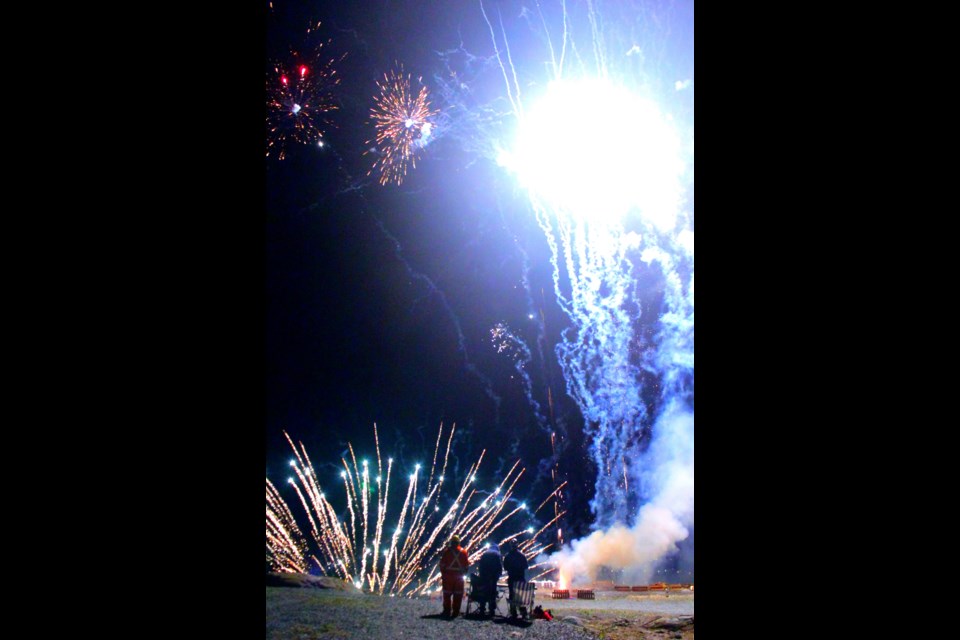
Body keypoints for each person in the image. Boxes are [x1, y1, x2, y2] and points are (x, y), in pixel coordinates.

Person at [439, 535, 470, 618]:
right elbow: (466, 566)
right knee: (458, 595)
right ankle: (455, 612)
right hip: (459, 577)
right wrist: (463, 573)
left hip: (448, 576)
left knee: (447, 595)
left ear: (451, 542)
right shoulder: (463, 552)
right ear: (459, 542)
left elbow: (442, 565)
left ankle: (447, 611)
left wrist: (443, 575)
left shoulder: (447, 552)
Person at [502, 540, 530, 619]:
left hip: (511, 579)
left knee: (512, 595)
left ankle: (513, 612)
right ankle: (523, 612)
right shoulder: (522, 555)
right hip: (520, 579)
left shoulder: (507, 556)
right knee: (521, 596)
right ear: (517, 545)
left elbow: (505, 567)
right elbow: (526, 566)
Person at [475, 542, 503, 617]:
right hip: (493, 577)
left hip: (484, 576)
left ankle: (482, 608)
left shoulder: (485, 553)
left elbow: (480, 565)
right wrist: (498, 575)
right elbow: (499, 566)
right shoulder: (497, 554)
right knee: (492, 593)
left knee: (483, 592)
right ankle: (491, 610)